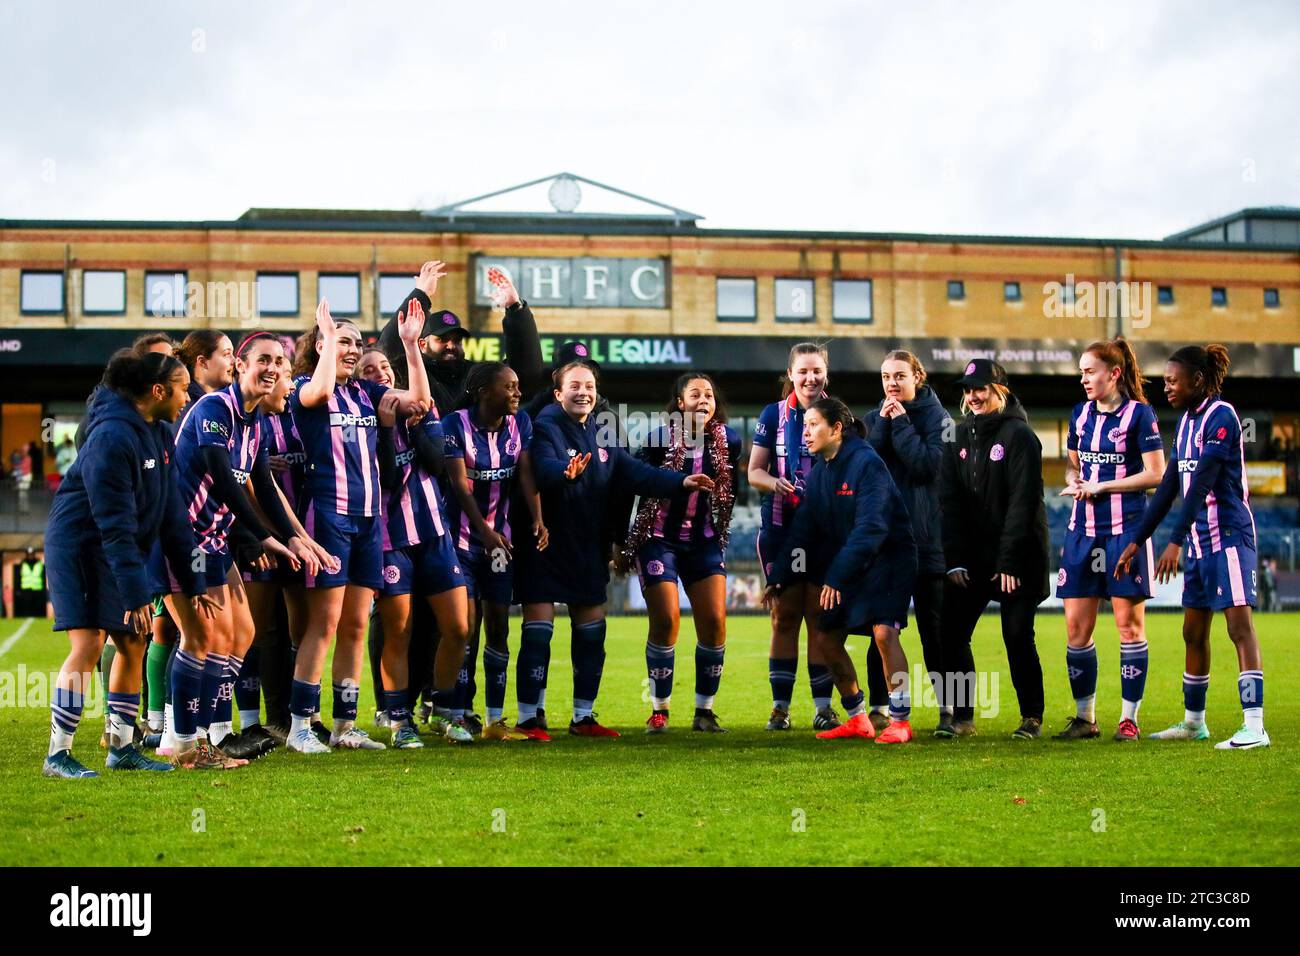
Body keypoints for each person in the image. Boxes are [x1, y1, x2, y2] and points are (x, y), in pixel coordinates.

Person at [513, 361, 713, 740]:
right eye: (574, 385)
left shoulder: (603, 431)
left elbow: (636, 474)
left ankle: (583, 717)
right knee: (537, 634)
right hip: (547, 543)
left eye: (588, 385)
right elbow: (541, 468)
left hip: (588, 544)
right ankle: (528, 719)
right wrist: (563, 472)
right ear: (558, 393)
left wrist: (681, 481)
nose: (583, 392)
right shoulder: (545, 426)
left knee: (591, 634)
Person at [154, 332, 327, 767]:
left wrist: (295, 537)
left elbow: (264, 488)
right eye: (263, 360)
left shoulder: (258, 424)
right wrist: (264, 537)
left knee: (242, 634)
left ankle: (204, 735)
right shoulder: (215, 409)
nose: (273, 368)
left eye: (279, 361)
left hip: (214, 541)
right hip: (182, 540)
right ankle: (183, 740)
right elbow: (224, 479)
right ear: (241, 367)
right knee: (200, 637)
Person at [42, 350, 215, 777]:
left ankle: (121, 748)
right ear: (157, 391)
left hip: (119, 549)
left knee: (132, 642)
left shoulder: (156, 431)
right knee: (87, 644)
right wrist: (137, 595)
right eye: (181, 388)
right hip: (82, 544)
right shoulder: (112, 437)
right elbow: (114, 524)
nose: (187, 396)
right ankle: (57, 754)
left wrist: (193, 582)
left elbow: (173, 515)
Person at [286, 298, 434, 754]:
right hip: (328, 517)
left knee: (354, 626)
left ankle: (344, 725)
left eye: (355, 343)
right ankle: (299, 728)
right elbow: (319, 391)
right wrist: (328, 342)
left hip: (371, 522)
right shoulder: (307, 387)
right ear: (321, 345)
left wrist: (411, 347)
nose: (352, 349)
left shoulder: (365, 394)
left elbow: (420, 402)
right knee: (325, 624)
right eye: (343, 341)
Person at [1115, 344, 1269, 749]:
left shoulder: (1223, 417)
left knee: (1239, 628)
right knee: (1192, 631)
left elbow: (1202, 482)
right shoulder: (1184, 424)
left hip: (1231, 538)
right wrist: (1137, 540)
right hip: (1200, 544)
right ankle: (1194, 722)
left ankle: (1254, 726)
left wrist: (1174, 541)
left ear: (1197, 380)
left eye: (1172, 380)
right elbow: (1169, 487)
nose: (1166, 387)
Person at [763, 398, 918, 743]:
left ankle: (901, 720)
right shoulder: (822, 471)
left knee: (884, 635)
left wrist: (836, 577)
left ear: (836, 429)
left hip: (889, 560)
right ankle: (858, 718)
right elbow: (804, 529)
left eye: (814, 424)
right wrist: (780, 577)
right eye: (804, 426)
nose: (806, 432)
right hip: (853, 563)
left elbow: (872, 528)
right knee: (826, 639)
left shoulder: (866, 463)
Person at [358, 346, 473, 747]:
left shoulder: (421, 409)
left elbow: (438, 462)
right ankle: (399, 719)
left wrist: (419, 424)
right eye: (368, 371)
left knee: (458, 627)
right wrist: (388, 428)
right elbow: (387, 478)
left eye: (384, 367)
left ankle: (442, 710)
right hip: (391, 540)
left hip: (435, 534)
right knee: (399, 630)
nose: (380, 375)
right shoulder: (362, 422)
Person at [1053, 339, 1166, 742]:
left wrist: (1103, 486)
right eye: (1081, 371)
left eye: (1089, 371)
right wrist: (1075, 481)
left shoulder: (1140, 415)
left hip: (1127, 533)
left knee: (1129, 628)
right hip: (1082, 532)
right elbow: (1073, 464)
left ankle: (1129, 720)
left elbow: (1157, 474)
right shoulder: (1080, 414)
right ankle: (1086, 719)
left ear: (1113, 373)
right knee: (1076, 632)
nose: (1083, 379)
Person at [939, 359, 1050, 739]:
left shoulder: (1020, 436)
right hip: (973, 557)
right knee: (951, 633)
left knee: (1017, 635)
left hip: (1018, 558)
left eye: (980, 388)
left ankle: (1031, 717)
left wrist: (1009, 561)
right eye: (968, 390)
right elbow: (948, 501)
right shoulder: (956, 435)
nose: (972, 396)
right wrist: (953, 560)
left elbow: (1024, 503)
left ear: (999, 390)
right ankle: (963, 718)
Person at [624, 373, 740, 734]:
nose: (704, 399)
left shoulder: (729, 441)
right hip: (658, 537)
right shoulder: (659, 440)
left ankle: (704, 712)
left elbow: (729, 490)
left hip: (703, 540)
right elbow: (635, 480)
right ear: (680, 403)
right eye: (695, 394)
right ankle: (659, 710)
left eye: (709, 394)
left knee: (715, 622)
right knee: (666, 619)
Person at [442, 361, 546, 740]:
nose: (518, 393)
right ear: (484, 391)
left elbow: (526, 474)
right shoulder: (454, 424)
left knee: (499, 625)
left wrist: (537, 518)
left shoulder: (521, 426)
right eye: (510, 386)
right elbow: (458, 484)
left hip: (499, 544)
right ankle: (458, 714)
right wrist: (484, 532)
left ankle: (494, 719)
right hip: (459, 544)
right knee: (466, 629)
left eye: (518, 386)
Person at [748, 343, 840, 731]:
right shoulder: (773, 414)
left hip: (824, 534)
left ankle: (823, 707)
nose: (810, 377)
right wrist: (775, 483)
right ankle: (780, 708)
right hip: (782, 532)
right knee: (784, 618)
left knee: (821, 619)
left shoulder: (836, 414)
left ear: (826, 375)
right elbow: (754, 471)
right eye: (803, 371)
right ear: (791, 374)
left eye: (817, 370)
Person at [863, 350, 952, 734]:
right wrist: (884, 425)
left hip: (927, 541)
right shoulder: (874, 419)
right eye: (885, 376)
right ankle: (881, 706)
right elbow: (868, 465)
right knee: (880, 630)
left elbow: (927, 467)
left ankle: (947, 709)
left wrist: (900, 425)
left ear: (918, 376)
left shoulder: (940, 420)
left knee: (935, 633)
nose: (891, 384)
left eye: (899, 375)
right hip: (885, 543)